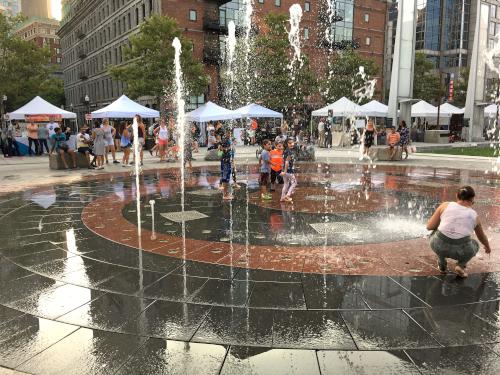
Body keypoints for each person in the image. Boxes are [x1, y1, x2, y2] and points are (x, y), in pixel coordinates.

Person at [427, 186, 492, 278]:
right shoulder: (474, 215)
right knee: (475, 244)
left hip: (439, 246)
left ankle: (441, 261)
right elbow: (482, 237)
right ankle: (460, 265)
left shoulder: (445, 205)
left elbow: (429, 227)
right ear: (472, 199)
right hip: (460, 251)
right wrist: (487, 247)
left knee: (434, 234)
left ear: (456, 195)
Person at [280, 138, 297, 203]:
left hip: (285, 170)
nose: (292, 144)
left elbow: (283, 161)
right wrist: (285, 171)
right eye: (289, 143)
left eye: (292, 142)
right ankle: (288, 195)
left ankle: (282, 197)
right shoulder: (289, 151)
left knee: (286, 184)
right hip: (288, 171)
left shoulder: (285, 151)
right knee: (294, 183)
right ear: (286, 144)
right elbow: (286, 162)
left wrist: (283, 170)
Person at [219, 136, 233, 200]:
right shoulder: (226, 151)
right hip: (226, 164)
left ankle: (226, 193)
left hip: (225, 163)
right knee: (225, 180)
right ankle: (225, 195)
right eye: (229, 145)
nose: (230, 147)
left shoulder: (225, 150)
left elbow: (219, 155)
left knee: (226, 179)